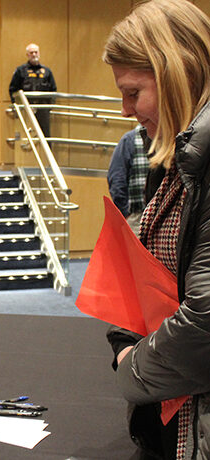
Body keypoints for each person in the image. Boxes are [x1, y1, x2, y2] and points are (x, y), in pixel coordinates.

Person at [102, 1, 210, 459]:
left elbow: (204, 324)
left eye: (133, 92)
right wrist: (125, 336)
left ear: (177, 71)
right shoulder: (179, 154)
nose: (126, 109)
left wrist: (132, 373)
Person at [107, 125, 149, 236]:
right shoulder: (130, 139)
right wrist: (126, 213)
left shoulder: (170, 136)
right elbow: (116, 179)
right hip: (136, 216)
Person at [9, 43, 57, 139]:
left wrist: (49, 106)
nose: (34, 54)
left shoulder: (47, 71)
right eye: (31, 52)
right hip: (26, 108)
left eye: (36, 52)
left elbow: (53, 89)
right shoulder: (20, 71)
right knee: (26, 135)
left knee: (45, 136)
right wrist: (17, 105)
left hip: (42, 109)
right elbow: (13, 89)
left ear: (39, 53)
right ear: (27, 55)